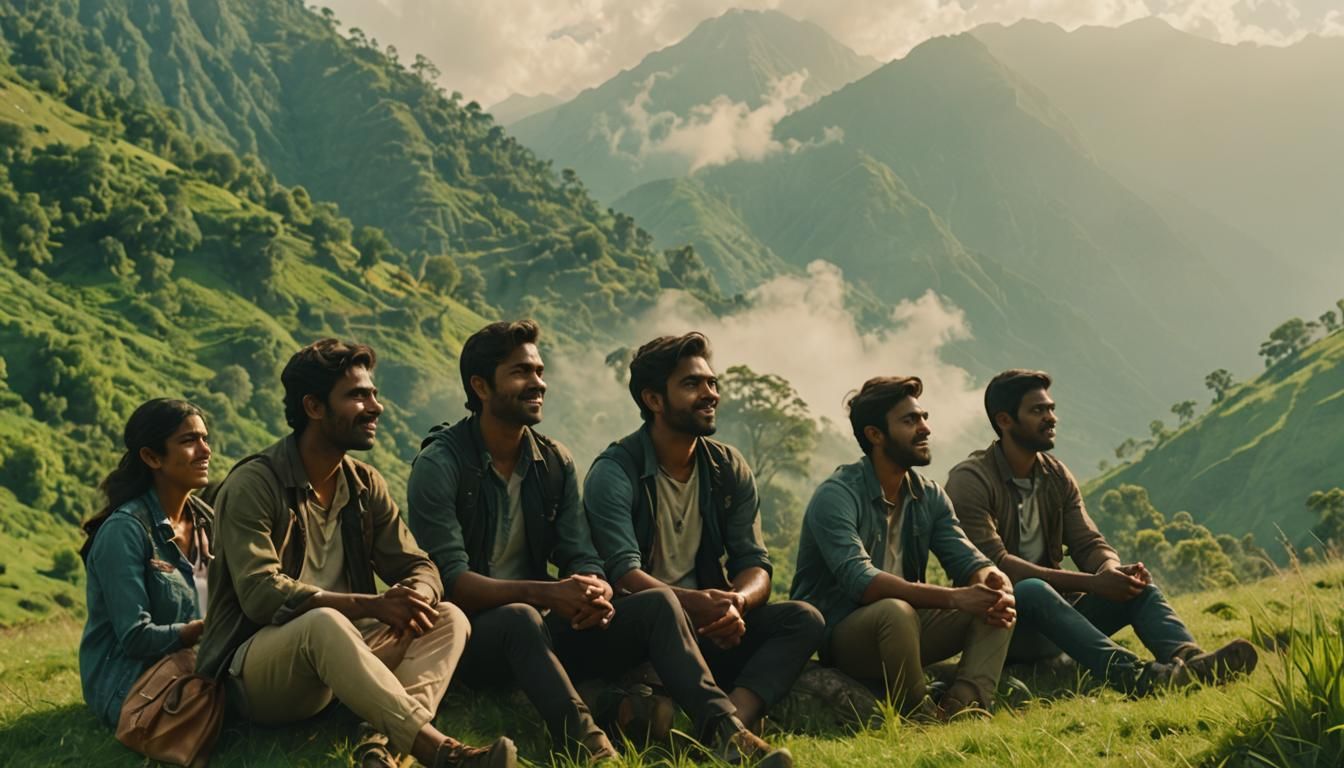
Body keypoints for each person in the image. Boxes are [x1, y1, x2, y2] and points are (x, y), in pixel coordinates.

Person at [408, 321, 790, 766]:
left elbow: (582, 555)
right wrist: (549, 592)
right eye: (521, 373)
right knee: (519, 616)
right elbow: (452, 582)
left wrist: (596, 589)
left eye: (539, 370)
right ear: (481, 386)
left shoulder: (551, 461)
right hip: (471, 638)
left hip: (542, 631)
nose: (538, 383)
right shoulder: (442, 464)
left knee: (658, 603)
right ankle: (592, 748)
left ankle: (725, 732)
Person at [195, 339, 514, 768]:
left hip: (344, 659)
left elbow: (418, 564)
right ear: (314, 407)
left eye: (374, 394)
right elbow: (260, 594)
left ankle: (381, 743)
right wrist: (374, 605)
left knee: (448, 618)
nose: (375, 406)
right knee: (322, 622)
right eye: (358, 395)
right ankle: (442, 753)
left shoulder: (363, 484)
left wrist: (417, 594)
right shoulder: (254, 484)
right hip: (254, 672)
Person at [946, 369, 1257, 695]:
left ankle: (1192, 661)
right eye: (1037, 411)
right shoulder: (971, 480)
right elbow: (998, 565)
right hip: (1003, 625)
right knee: (1033, 589)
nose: (1051, 418)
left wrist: (1112, 572)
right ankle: (1139, 677)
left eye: (1051, 408)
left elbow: (1088, 542)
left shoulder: (1055, 476)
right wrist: (1093, 583)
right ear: (1005, 420)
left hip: (1060, 617)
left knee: (1139, 588)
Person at [585, 332, 824, 734]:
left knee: (804, 619)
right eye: (692, 384)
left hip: (704, 626)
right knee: (660, 603)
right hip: (635, 628)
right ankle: (723, 729)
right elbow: (623, 575)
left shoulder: (726, 467)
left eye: (712, 383)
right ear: (654, 400)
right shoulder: (615, 471)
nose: (710, 393)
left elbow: (754, 563)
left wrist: (736, 604)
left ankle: (729, 722)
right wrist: (695, 604)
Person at [790, 376, 1016, 718]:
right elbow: (862, 582)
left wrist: (989, 577)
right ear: (875, 435)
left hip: (908, 631)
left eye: (923, 417)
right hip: (846, 635)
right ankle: (919, 713)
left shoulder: (929, 495)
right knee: (895, 610)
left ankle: (963, 704)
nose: (924, 428)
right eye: (910, 421)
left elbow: (966, 557)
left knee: (998, 599)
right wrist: (955, 597)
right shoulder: (836, 495)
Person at [80, 398, 214, 728]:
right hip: (131, 683)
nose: (205, 450)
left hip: (197, 664)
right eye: (188, 441)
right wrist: (207, 628)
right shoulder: (125, 531)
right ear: (152, 457)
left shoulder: (207, 521)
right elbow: (136, 637)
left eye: (204, 438)